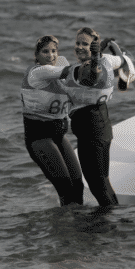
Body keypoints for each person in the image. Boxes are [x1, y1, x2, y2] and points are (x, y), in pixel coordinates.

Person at [62, 27, 129, 206]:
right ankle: (112, 222)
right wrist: (110, 51)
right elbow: (124, 60)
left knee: (98, 184)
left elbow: (92, 77)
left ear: (93, 48)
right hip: (97, 127)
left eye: (85, 44)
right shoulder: (108, 60)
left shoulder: (91, 66)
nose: (80, 47)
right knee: (100, 183)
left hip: (93, 128)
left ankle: (110, 223)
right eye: (78, 43)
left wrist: (96, 58)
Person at [20, 35, 83, 206]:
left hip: (59, 135)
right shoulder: (38, 72)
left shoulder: (60, 71)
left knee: (78, 186)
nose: (50, 56)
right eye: (45, 52)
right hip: (39, 138)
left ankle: (78, 227)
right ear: (37, 55)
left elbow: (79, 81)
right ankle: (64, 229)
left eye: (54, 51)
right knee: (67, 190)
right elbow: (70, 71)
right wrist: (96, 61)